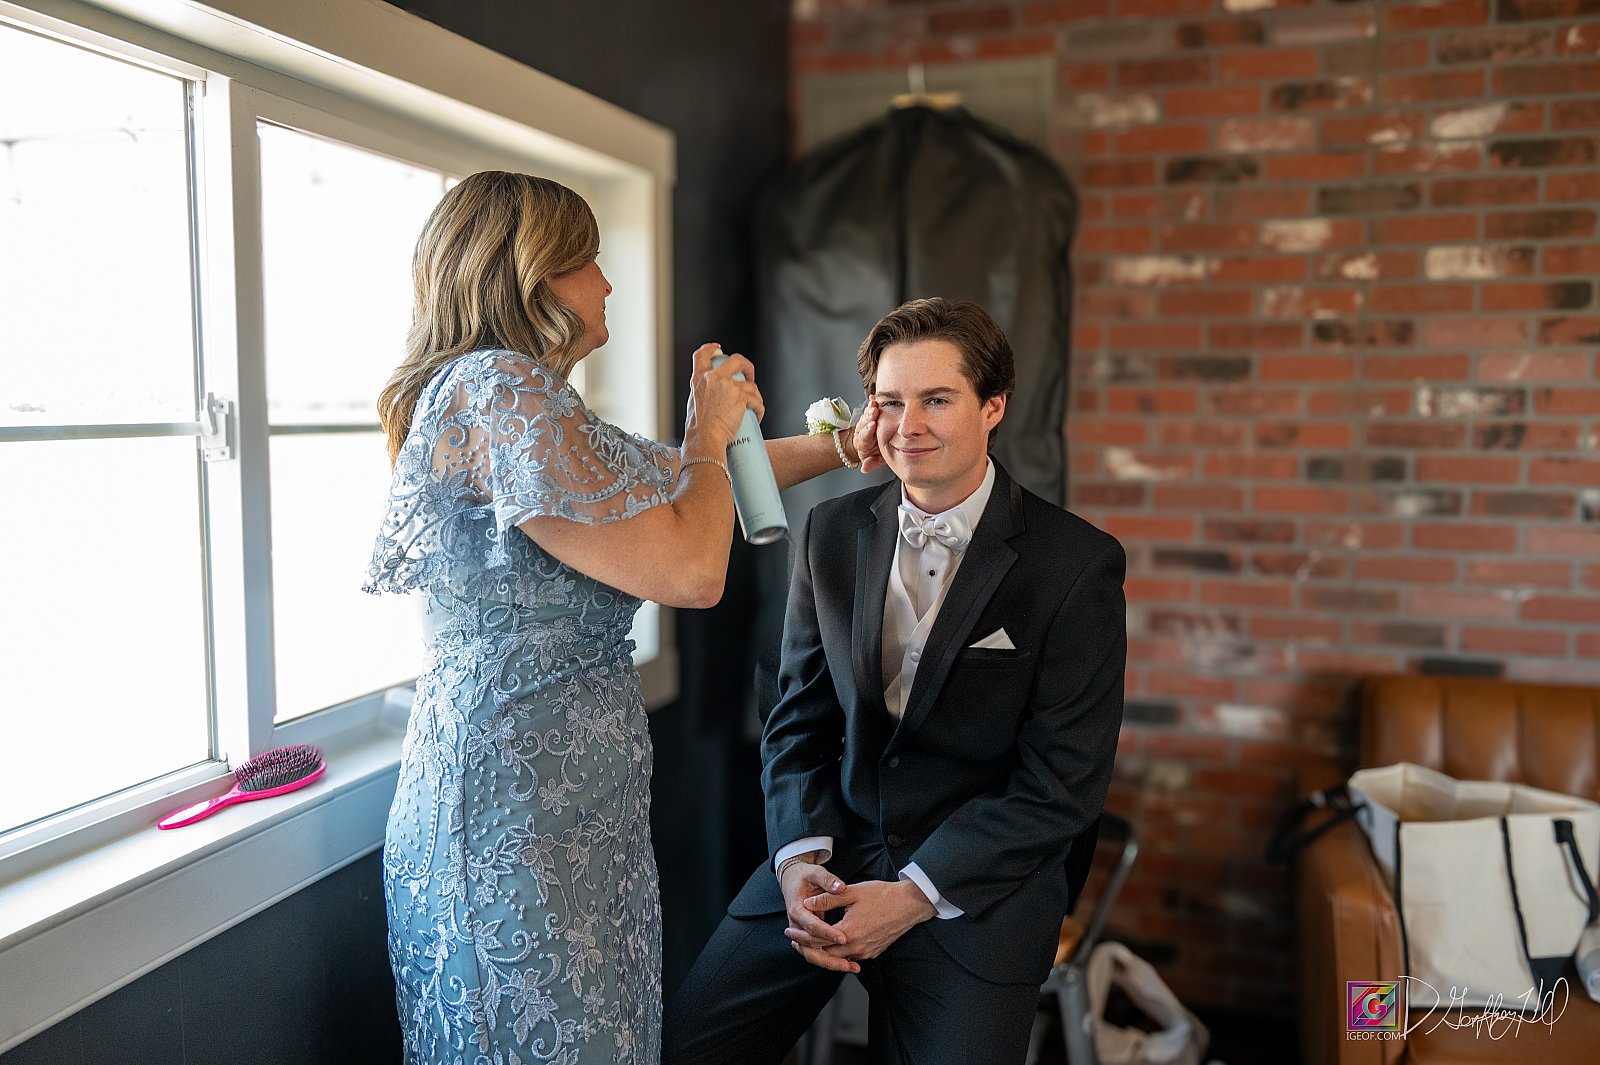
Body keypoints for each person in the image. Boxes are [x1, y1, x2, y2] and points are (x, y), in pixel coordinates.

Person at [365, 171, 868, 1065]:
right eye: (588, 259)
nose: (607, 281)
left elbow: (677, 480)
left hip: (580, 818)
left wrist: (851, 444)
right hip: (509, 818)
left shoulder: (536, 404)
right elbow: (691, 568)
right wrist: (710, 428)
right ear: (534, 276)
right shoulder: (496, 387)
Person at [662, 297, 1127, 1065]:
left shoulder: (1076, 565)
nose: (907, 426)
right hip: (833, 851)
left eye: (936, 400)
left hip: (975, 890)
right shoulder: (830, 532)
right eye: (890, 401)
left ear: (994, 405)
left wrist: (914, 895)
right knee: (685, 1047)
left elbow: (1062, 785)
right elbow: (797, 722)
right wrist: (799, 860)